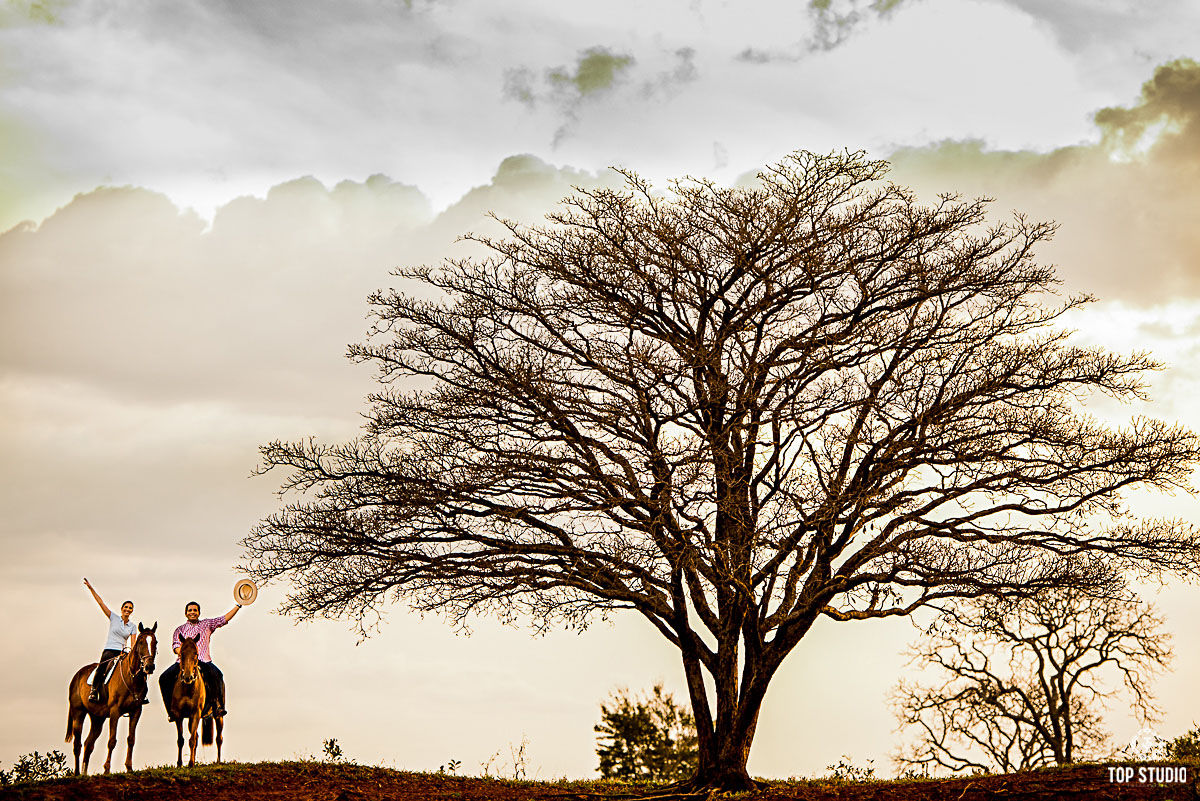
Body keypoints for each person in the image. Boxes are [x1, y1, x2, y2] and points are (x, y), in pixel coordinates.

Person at [158, 600, 241, 721]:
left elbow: (224, 619)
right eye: (190, 610)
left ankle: (218, 707)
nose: (192, 612)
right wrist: (185, 654)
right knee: (163, 678)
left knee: (218, 675)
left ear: (199, 613)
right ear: (186, 613)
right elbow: (175, 646)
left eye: (195, 610)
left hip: (203, 660)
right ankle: (171, 711)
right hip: (183, 662)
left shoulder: (206, 624)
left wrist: (238, 606)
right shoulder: (179, 629)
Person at [82, 578, 145, 704]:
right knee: (102, 666)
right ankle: (94, 689)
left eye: (130, 608)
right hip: (110, 649)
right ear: (122, 609)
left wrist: (132, 655)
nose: (128, 609)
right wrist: (91, 589)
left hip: (122, 651)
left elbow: (133, 643)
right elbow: (101, 604)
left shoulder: (132, 626)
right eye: (126, 607)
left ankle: (140, 694)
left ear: (132, 611)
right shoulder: (114, 618)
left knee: (138, 669)